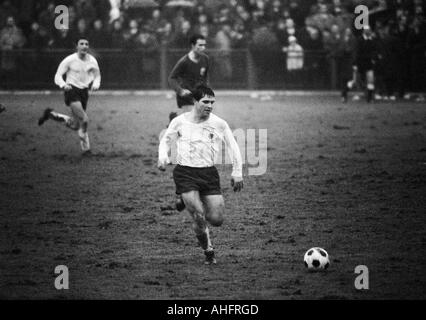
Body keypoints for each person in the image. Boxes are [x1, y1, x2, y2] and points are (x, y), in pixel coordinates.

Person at [158, 86, 244, 265]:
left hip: (208, 174)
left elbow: (233, 146)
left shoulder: (219, 123)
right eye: (205, 102)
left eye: (212, 102)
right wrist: (163, 156)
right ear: (195, 102)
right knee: (198, 215)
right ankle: (208, 250)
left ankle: (185, 198)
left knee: (216, 219)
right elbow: (165, 140)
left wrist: (237, 172)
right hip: (185, 173)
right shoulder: (179, 122)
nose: (210, 105)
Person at [38, 38, 101, 154]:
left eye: (86, 44)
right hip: (71, 91)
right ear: (76, 46)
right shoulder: (69, 60)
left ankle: (51, 115)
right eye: (81, 44)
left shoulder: (92, 60)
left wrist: (96, 84)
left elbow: (97, 75)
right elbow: (57, 75)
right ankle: (86, 149)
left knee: (76, 124)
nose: (84, 46)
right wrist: (63, 85)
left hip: (84, 92)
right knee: (85, 119)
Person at [168, 34, 210, 123]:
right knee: (193, 123)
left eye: (204, 45)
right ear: (192, 45)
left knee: (201, 122)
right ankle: (175, 122)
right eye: (200, 45)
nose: (203, 48)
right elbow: (172, 78)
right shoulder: (184, 61)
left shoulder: (205, 59)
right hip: (186, 96)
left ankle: (174, 120)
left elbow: (204, 78)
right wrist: (180, 91)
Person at [341, 25, 378, 103]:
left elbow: (374, 51)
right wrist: (355, 64)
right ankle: (344, 93)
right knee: (354, 81)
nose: (368, 31)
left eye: (369, 30)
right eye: (366, 30)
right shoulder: (359, 40)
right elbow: (356, 52)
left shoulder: (372, 40)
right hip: (360, 63)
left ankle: (369, 98)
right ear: (363, 31)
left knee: (370, 80)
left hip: (368, 63)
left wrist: (374, 58)